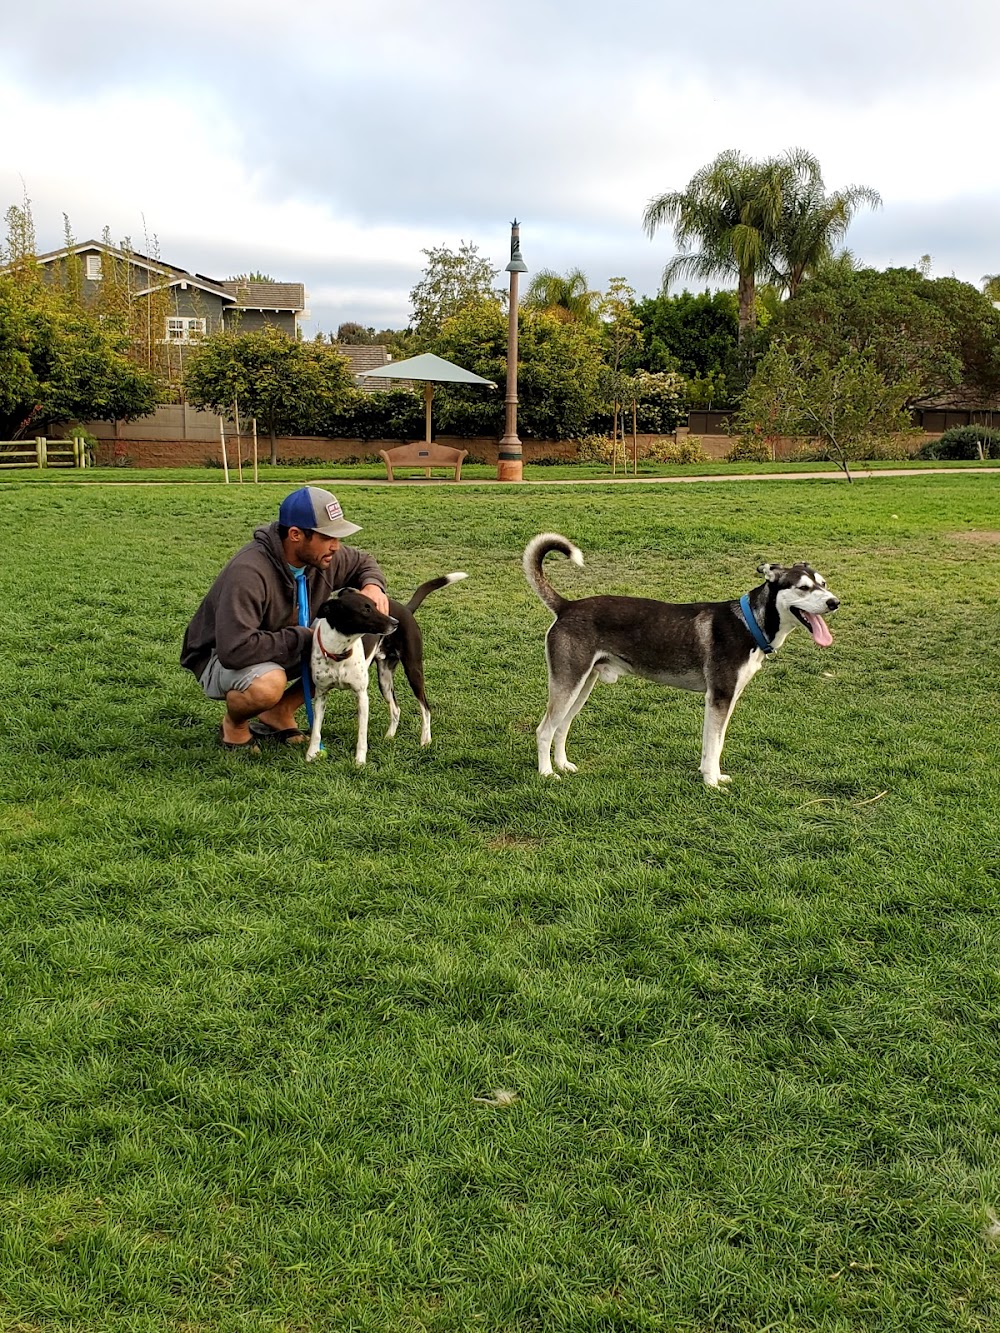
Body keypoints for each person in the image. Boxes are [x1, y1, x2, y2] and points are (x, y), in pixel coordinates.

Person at [181, 486, 389, 752]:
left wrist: (373, 585)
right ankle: (235, 725)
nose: (336, 547)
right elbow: (234, 649)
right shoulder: (248, 573)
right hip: (218, 656)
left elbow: (363, 562)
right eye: (328, 537)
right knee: (269, 684)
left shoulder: (322, 557)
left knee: (344, 641)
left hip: (279, 642)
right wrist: (306, 638)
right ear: (295, 535)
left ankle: (280, 711)